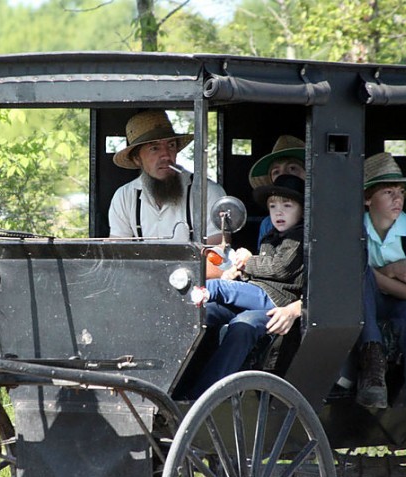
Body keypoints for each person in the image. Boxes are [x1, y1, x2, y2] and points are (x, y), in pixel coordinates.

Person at [184, 174, 305, 398]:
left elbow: (279, 269)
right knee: (206, 312)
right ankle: (182, 385)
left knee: (236, 312)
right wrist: (238, 271)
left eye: (287, 205)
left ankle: (207, 395)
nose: (279, 211)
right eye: (273, 206)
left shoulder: (298, 239)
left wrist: (247, 262)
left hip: (278, 300)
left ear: (302, 210)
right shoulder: (270, 237)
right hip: (259, 293)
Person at [355, 151, 406, 463]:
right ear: (367, 199)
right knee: (358, 273)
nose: (397, 199)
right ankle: (372, 361)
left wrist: (371, 275)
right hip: (367, 307)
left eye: (401, 192)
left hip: (405, 306)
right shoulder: (355, 227)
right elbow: (354, 276)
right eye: (388, 192)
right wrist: (390, 271)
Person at [108, 110, 226, 243]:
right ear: (137, 159)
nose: (166, 155)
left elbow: (215, 254)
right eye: (154, 148)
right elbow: (117, 252)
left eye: (171, 145)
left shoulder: (207, 193)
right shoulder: (124, 197)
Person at [248, 135, 306, 250]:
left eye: (292, 168)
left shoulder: (323, 217)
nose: (283, 175)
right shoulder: (268, 224)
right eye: (276, 172)